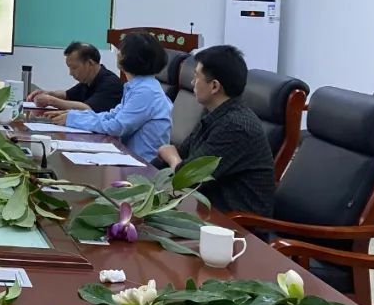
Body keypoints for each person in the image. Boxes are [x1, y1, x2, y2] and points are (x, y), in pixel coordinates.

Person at [155, 45, 273, 216]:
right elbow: (184, 154)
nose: (192, 82)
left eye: (196, 77)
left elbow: (188, 178)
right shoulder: (215, 113)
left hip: (237, 223)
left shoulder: (236, 127)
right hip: (205, 208)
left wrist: (171, 156)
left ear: (215, 86)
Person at [48, 32, 172, 162]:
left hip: (143, 165)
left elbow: (116, 127)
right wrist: (73, 115)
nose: (117, 53)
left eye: (121, 50)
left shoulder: (146, 92)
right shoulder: (137, 86)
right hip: (128, 158)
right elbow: (112, 115)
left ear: (130, 57)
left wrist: (73, 119)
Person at [27, 41, 123, 113]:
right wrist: (48, 93)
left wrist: (51, 101)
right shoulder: (87, 81)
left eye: (74, 68)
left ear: (90, 63)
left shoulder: (110, 83)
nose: (70, 73)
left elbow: (88, 109)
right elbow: (66, 95)